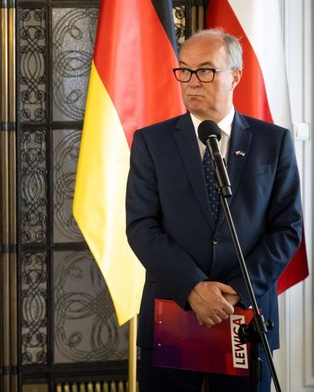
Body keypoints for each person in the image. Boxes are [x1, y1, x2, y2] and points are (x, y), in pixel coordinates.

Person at [125, 29, 302, 392]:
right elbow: (141, 226)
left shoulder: (273, 142)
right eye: (184, 70)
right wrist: (194, 287)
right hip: (174, 311)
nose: (192, 81)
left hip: (245, 314)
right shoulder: (151, 142)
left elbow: (287, 228)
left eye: (205, 70)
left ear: (235, 76)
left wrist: (236, 290)